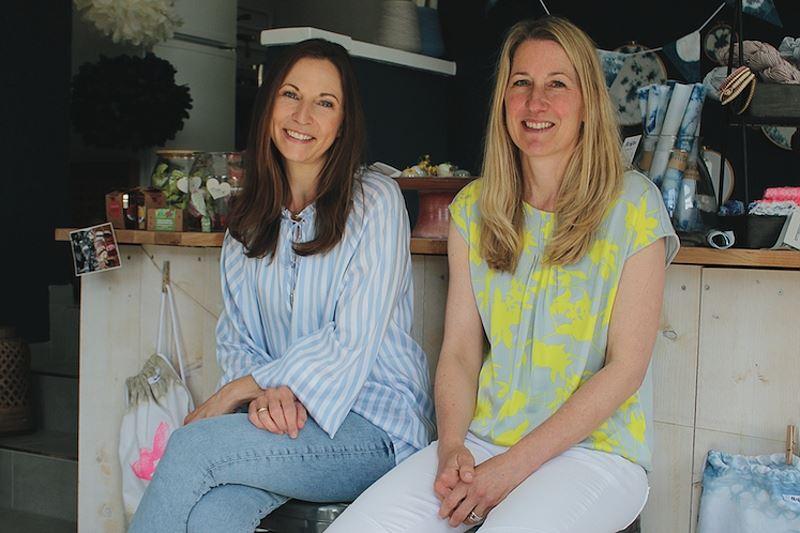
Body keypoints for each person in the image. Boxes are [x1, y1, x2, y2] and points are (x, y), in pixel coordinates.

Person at [327, 16, 679, 533]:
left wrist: (510, 471)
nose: (536, 103)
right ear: (503, 100)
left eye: (557, 84)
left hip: (596, 453)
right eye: (522, 83)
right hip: (483, 442)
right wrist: (452, 447)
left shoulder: (633, 205)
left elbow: (625, 370)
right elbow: (460, 352)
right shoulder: (475, 210)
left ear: (588, 102)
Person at [129, 38, 435, 533]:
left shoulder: (375, 202)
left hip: (372, 428)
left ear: (344, 124)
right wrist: (266, 395)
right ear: (269, 103)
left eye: (325, 103)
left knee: (190, 448)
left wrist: (240, 391)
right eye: (291, 94)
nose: (303, 116)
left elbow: (349, 340)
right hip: (283, 424)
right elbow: (237, 339)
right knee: (212, 516)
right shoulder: (248, 220)